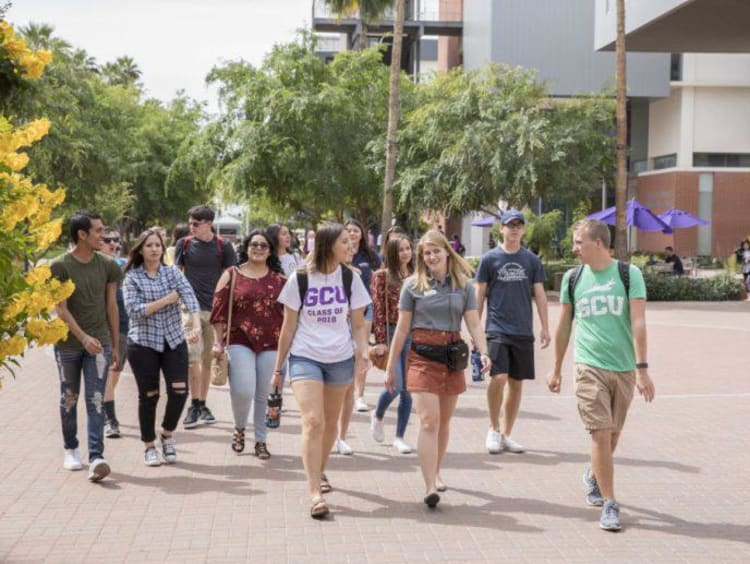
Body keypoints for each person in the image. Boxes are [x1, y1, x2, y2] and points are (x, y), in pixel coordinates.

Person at [547, 219, 655, 532]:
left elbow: (638, 323)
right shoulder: (572, 278)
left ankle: (594, 475)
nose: (574, 248)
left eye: (578, 242)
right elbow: (564, 325)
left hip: (622, 368)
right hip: (588, 365)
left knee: (613, 435)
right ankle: (610, 503)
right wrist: (556, 368)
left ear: (598, 242)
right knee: (600, 433)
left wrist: (642, 369)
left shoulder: (628, 274)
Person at [270, 223, 371, 519]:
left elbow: (358, 324)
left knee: (329, 424)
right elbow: (288, 327)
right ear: (329, 245)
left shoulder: (351, 280)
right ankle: (314, 491)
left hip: (339, 358)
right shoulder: (300, 278)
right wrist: (278, 368)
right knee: (313, 422)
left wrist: (363, 350)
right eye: (344, 241)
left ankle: (320, 469)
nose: (350, 245)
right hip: (305, 356)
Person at [386, 230, 490, 508]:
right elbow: (402, 328)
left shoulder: (464, 285)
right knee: (429, 421)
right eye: (426, 253)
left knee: (443, 421)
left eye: (436, 251)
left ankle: (437, 470)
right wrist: (390, 366)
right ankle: (430, 484)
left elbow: (474, 323)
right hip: (421, 356)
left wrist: (483, 350)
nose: (431, 256)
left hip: (452, 356)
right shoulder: (412, 285)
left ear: (447, 252)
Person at [51, 210, 122, 482]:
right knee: (69, 398)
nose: (103, 236)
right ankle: (71, 448)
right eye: (99, 231)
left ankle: (96, 457)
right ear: (82, 234)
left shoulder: (108, 265)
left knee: (95, 400)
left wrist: (114, 344)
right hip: (69, 344)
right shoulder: (60, 266)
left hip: (100, 344)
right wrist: (82, 337)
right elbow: (61, 308)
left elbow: (112, 306)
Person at [475, 209, 550, 455]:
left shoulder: (531, 260)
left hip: (522, 330)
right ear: (502, 229)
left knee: (516, 384)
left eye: (519, 225)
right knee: (498, 378)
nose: (514, 229)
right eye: (510, 225)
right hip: (496, 328)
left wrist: (545, 327)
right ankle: (493, 428)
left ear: (523, 229)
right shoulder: (489, 259)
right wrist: (475, 331)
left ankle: (506, 434)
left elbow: (539, 294)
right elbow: (479, 295)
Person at [123, 229, 200, 466]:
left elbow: (189, 297)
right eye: (149, 246)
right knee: (150, 395)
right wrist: (167, 300)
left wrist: (195, 326)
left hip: (174, 340)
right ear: (140, 250)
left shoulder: (172, 273)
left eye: (158, 245)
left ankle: (167, 434)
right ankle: (149, 445)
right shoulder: (132, 278)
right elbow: (135, 310)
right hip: (143, 343)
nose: (155, 249)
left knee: (179, 391)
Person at [210, 230, 285, 460]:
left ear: (270, 250)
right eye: (254, 244)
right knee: (243, 390)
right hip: (239, 340)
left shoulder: (280, 280)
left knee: (263, 394)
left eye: (264, 245)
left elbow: (290, 315)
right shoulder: (232, 274)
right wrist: (217, 342)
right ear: (246, 247)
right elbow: (219, 311)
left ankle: (261, 441)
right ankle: (239, 428)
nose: (259, 248)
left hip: (272, 342)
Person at [175, 205, 237, 428]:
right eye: (190, 223)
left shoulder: (224, 246)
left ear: (209, 223)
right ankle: (194, 404)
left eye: (196, 224)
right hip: (189, 310)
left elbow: (232, 277)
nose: (191, 227)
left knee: (207, 358)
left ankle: (202, 404)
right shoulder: (185, 244)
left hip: (214, 311)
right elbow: (176, 275)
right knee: (192, 359)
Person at [370, 234, 415, 454]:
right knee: (395, 385)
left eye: (408, 248)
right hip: (391, 331)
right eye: (401, 250)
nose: (406, 253)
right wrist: (380, 341)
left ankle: (399, 436)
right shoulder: (382, 276)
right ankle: (378, 414)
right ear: (391, 253)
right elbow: (378, 310)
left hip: (414, 334)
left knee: (409, 388)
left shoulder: (418, 276)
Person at [344, 219, 381, 416]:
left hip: (366, 307)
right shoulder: (338, 252)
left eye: (355, 230)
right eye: (348, 230)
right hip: (341, 309)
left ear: (362, 233)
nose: (351, 233)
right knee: (345, 351)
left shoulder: (371, 256)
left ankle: (359, 396)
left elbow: (380, 278)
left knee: (361, 351)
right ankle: (345, 392)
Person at [101, 227, 128, 439]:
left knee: (116, 370)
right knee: (107, 371)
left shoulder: (123, 264)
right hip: (100, 325)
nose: (113, 244)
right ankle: (111, 419)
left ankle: (105, 404)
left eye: (116, 240)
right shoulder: (92, 264)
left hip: (123, 324)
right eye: (107, 240)